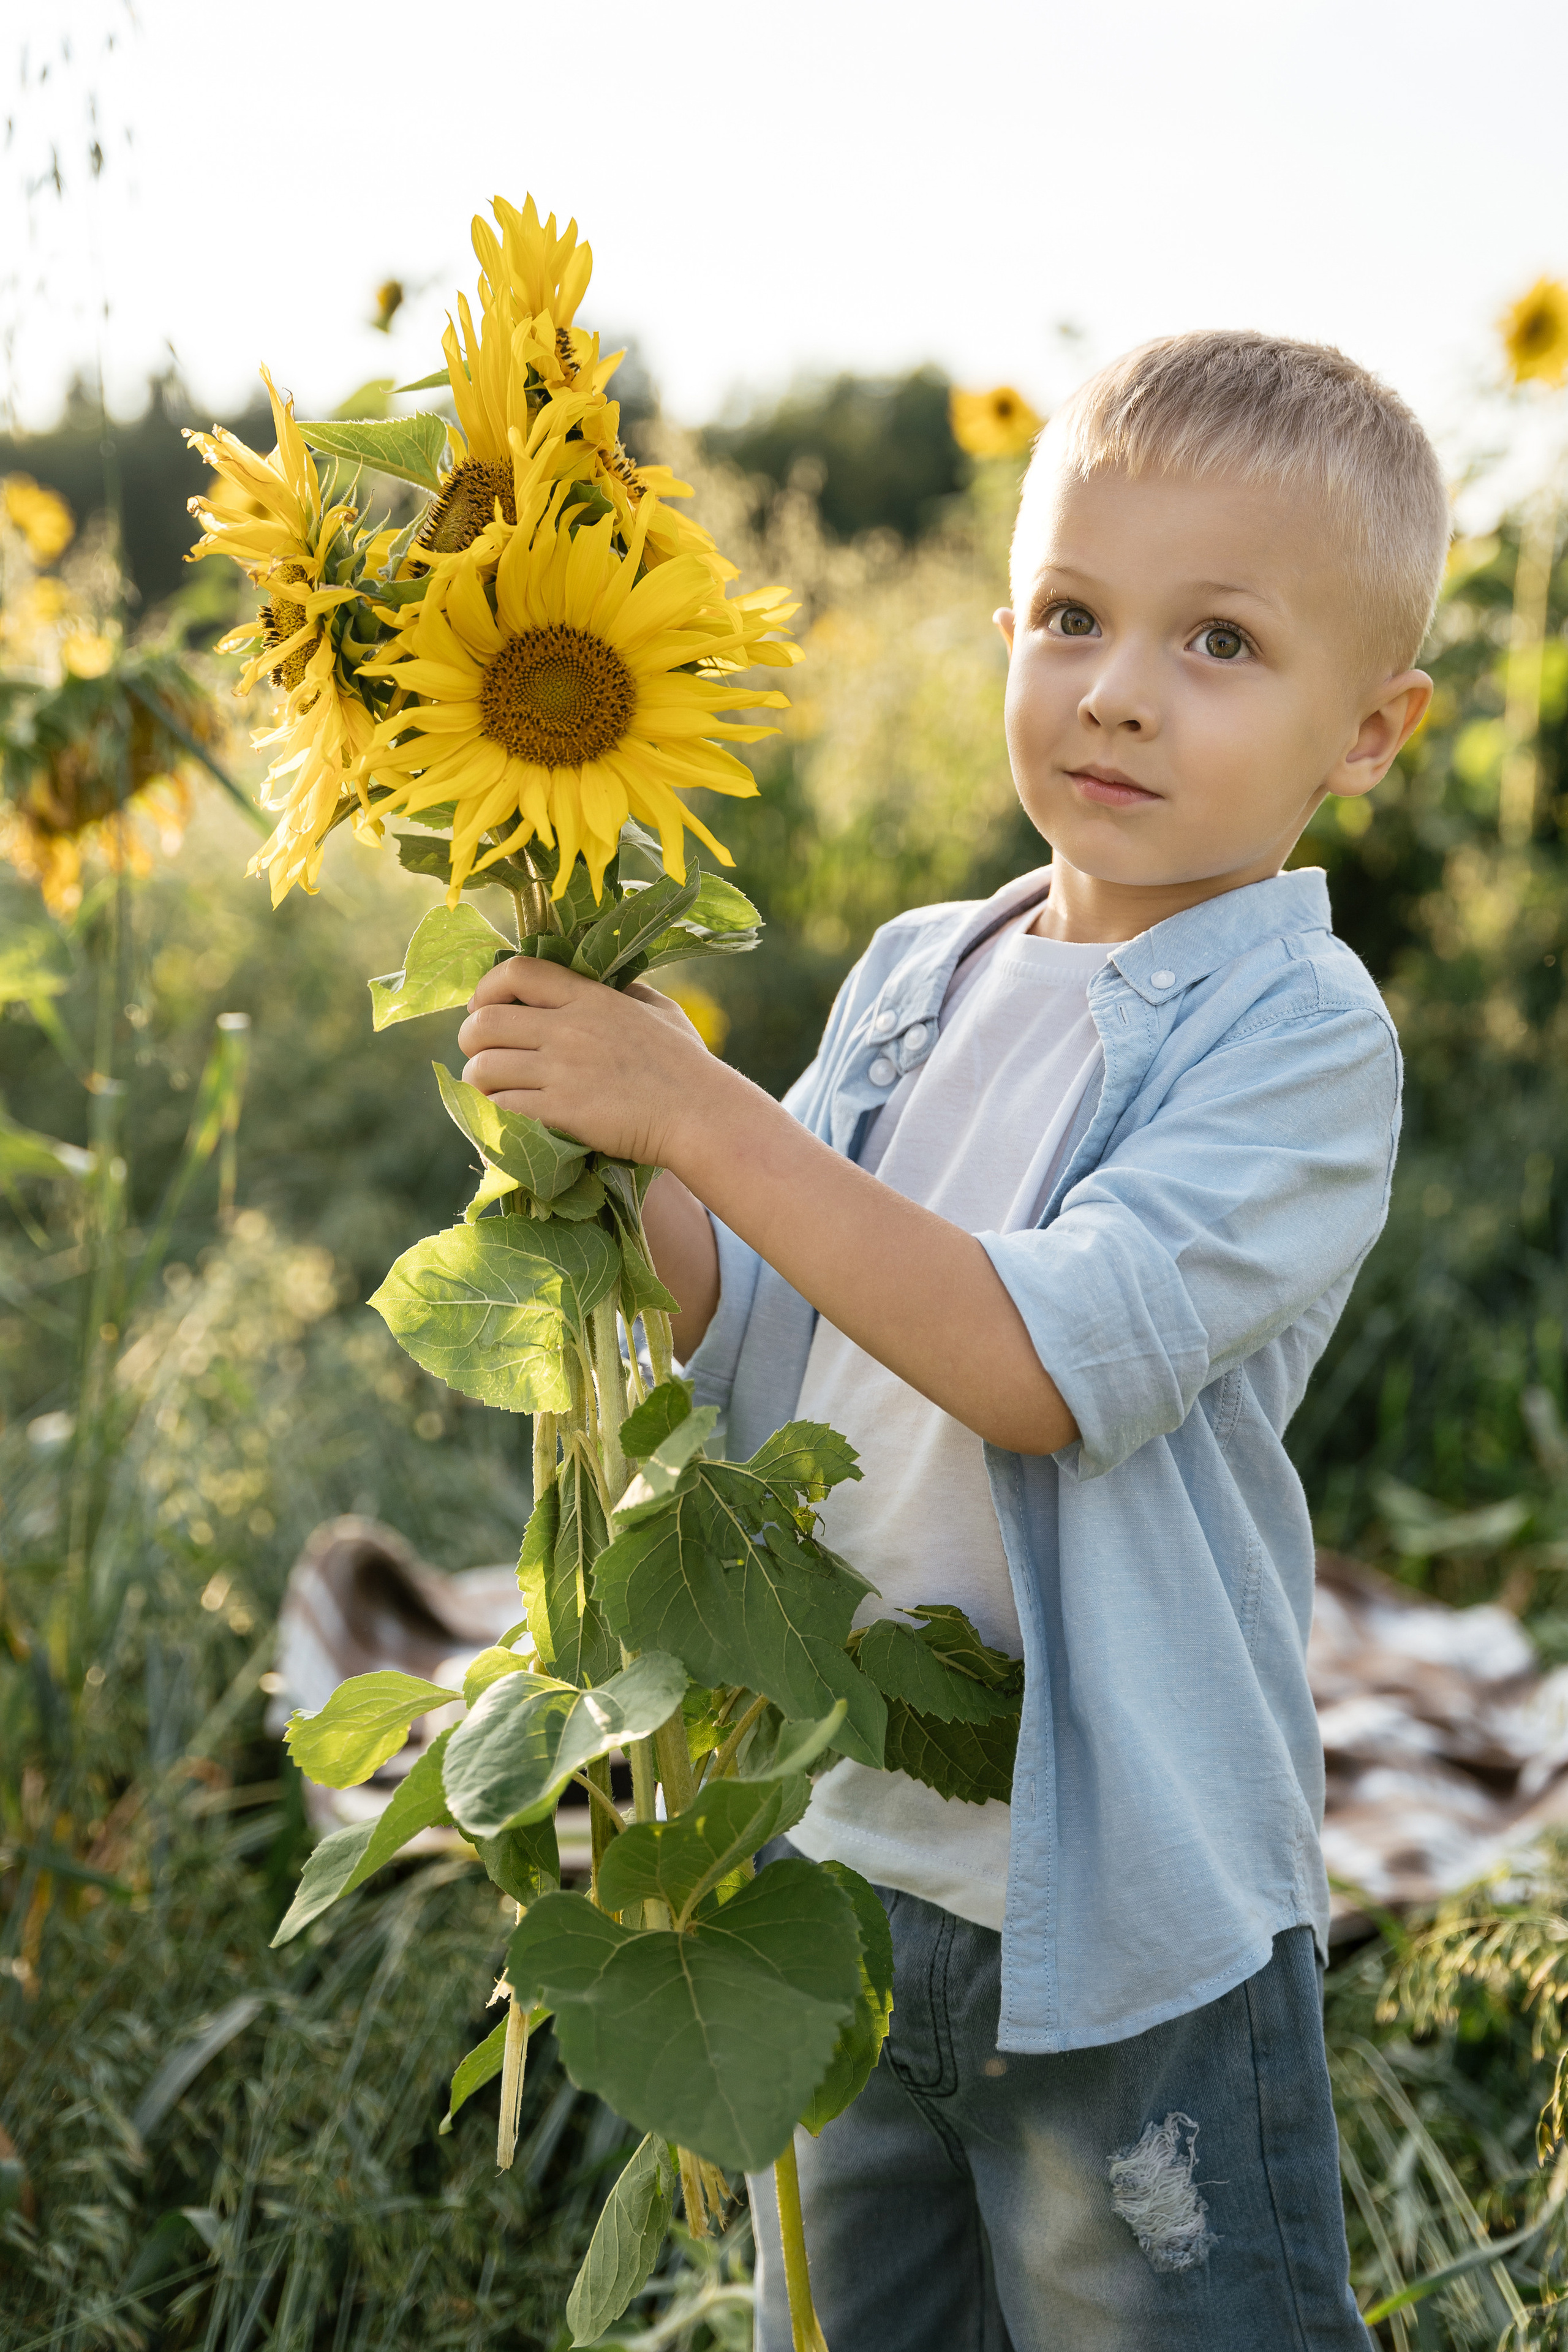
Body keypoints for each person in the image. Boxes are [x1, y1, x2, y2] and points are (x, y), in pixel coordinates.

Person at [457, 329, 1447, 2351]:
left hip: (1122, 1920)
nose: (1118, 689)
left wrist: (699, 1112)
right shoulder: (933, 969)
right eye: (1073, 615)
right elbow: (758, 1308)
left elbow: (1039, 1364)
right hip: (837, 1832)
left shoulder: (1299, 1039)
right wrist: (590, 1134)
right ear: (1008, 622)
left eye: (1222, 644)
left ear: (1373, 730)